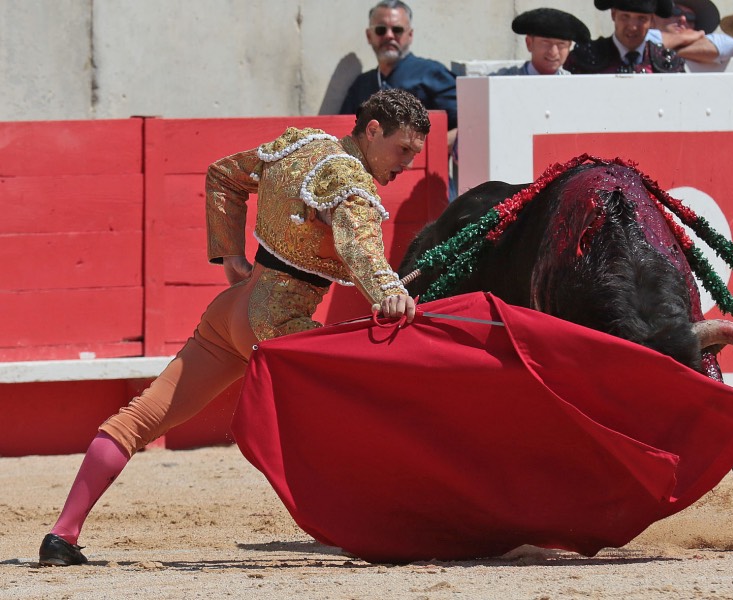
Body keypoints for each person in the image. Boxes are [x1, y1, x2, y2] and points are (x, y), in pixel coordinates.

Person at [38, 88, 430, 566]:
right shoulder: (350, 179)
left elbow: (222, 174)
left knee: (142, 417)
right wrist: (388, 291)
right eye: (403, 149)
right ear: (372, 131)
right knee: (365, 407)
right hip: (280, 322)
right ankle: (390, 524)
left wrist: (231, 257)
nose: (407, 163)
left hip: (232, 311)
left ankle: (62, 534)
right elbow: (359, 247)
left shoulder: (299, 145)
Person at [340, 1, 457, 146]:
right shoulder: (361, 84)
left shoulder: (432, 73)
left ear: (410, 35)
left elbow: (468, 127)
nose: (389, 36)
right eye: (381, 30)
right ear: (369, 36)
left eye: (397, 30)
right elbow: (343, 133)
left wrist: (424, 150)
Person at [565, 0, 685, 75]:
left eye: (641, 18)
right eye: (625, 17)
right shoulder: (584, 58)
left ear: (652, 21)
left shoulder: (667, 63)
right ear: (613, 15)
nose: (633, 27)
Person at [491, 8, 591, 76]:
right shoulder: (501, 81)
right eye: (546, 43)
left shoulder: (574, 85)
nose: (553, 52)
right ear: (529, 43)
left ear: (569, 47)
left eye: (561, 44)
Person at [647, 0, 733, 71]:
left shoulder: (700, 41)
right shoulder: (638, 37)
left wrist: (658, 50)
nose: (683, 19)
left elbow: (730, 44)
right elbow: (639, 42)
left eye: (690, 17)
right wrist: (681, 38)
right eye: (675, 11)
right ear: (652, 18)